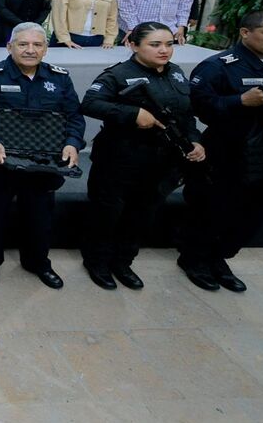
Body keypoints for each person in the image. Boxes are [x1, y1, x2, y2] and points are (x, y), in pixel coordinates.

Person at [178, 9, 263, 293]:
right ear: (246, 32)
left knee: (254, 211)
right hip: (228, 149)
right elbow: (199, 107)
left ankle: (220, 257)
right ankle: (194, 259)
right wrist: (238, 102)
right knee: (214, 208)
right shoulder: (219, 66)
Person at [79, 21, 205, 290]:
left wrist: (195, 140)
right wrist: (133, 114)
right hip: (121, 157)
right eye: (155, 44)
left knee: (142, 214)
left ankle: (123, 262)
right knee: (108, 213)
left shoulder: (177, 74)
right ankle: (97, 262)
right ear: (133, 45)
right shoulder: (119, 74)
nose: (164, 50)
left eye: (169, 44)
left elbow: (186, 115)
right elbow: (90, 103)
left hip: (163, 160)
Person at [0, 22, 84, 288]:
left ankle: (37, 263)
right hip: (0, 162)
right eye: (23, 44)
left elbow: (74, 116)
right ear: (10, 47)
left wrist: (72, 143)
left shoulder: (60, 78)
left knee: (40, 216)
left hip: (44, 163)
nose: (30, 50)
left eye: (37, 45)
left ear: (45, 49)